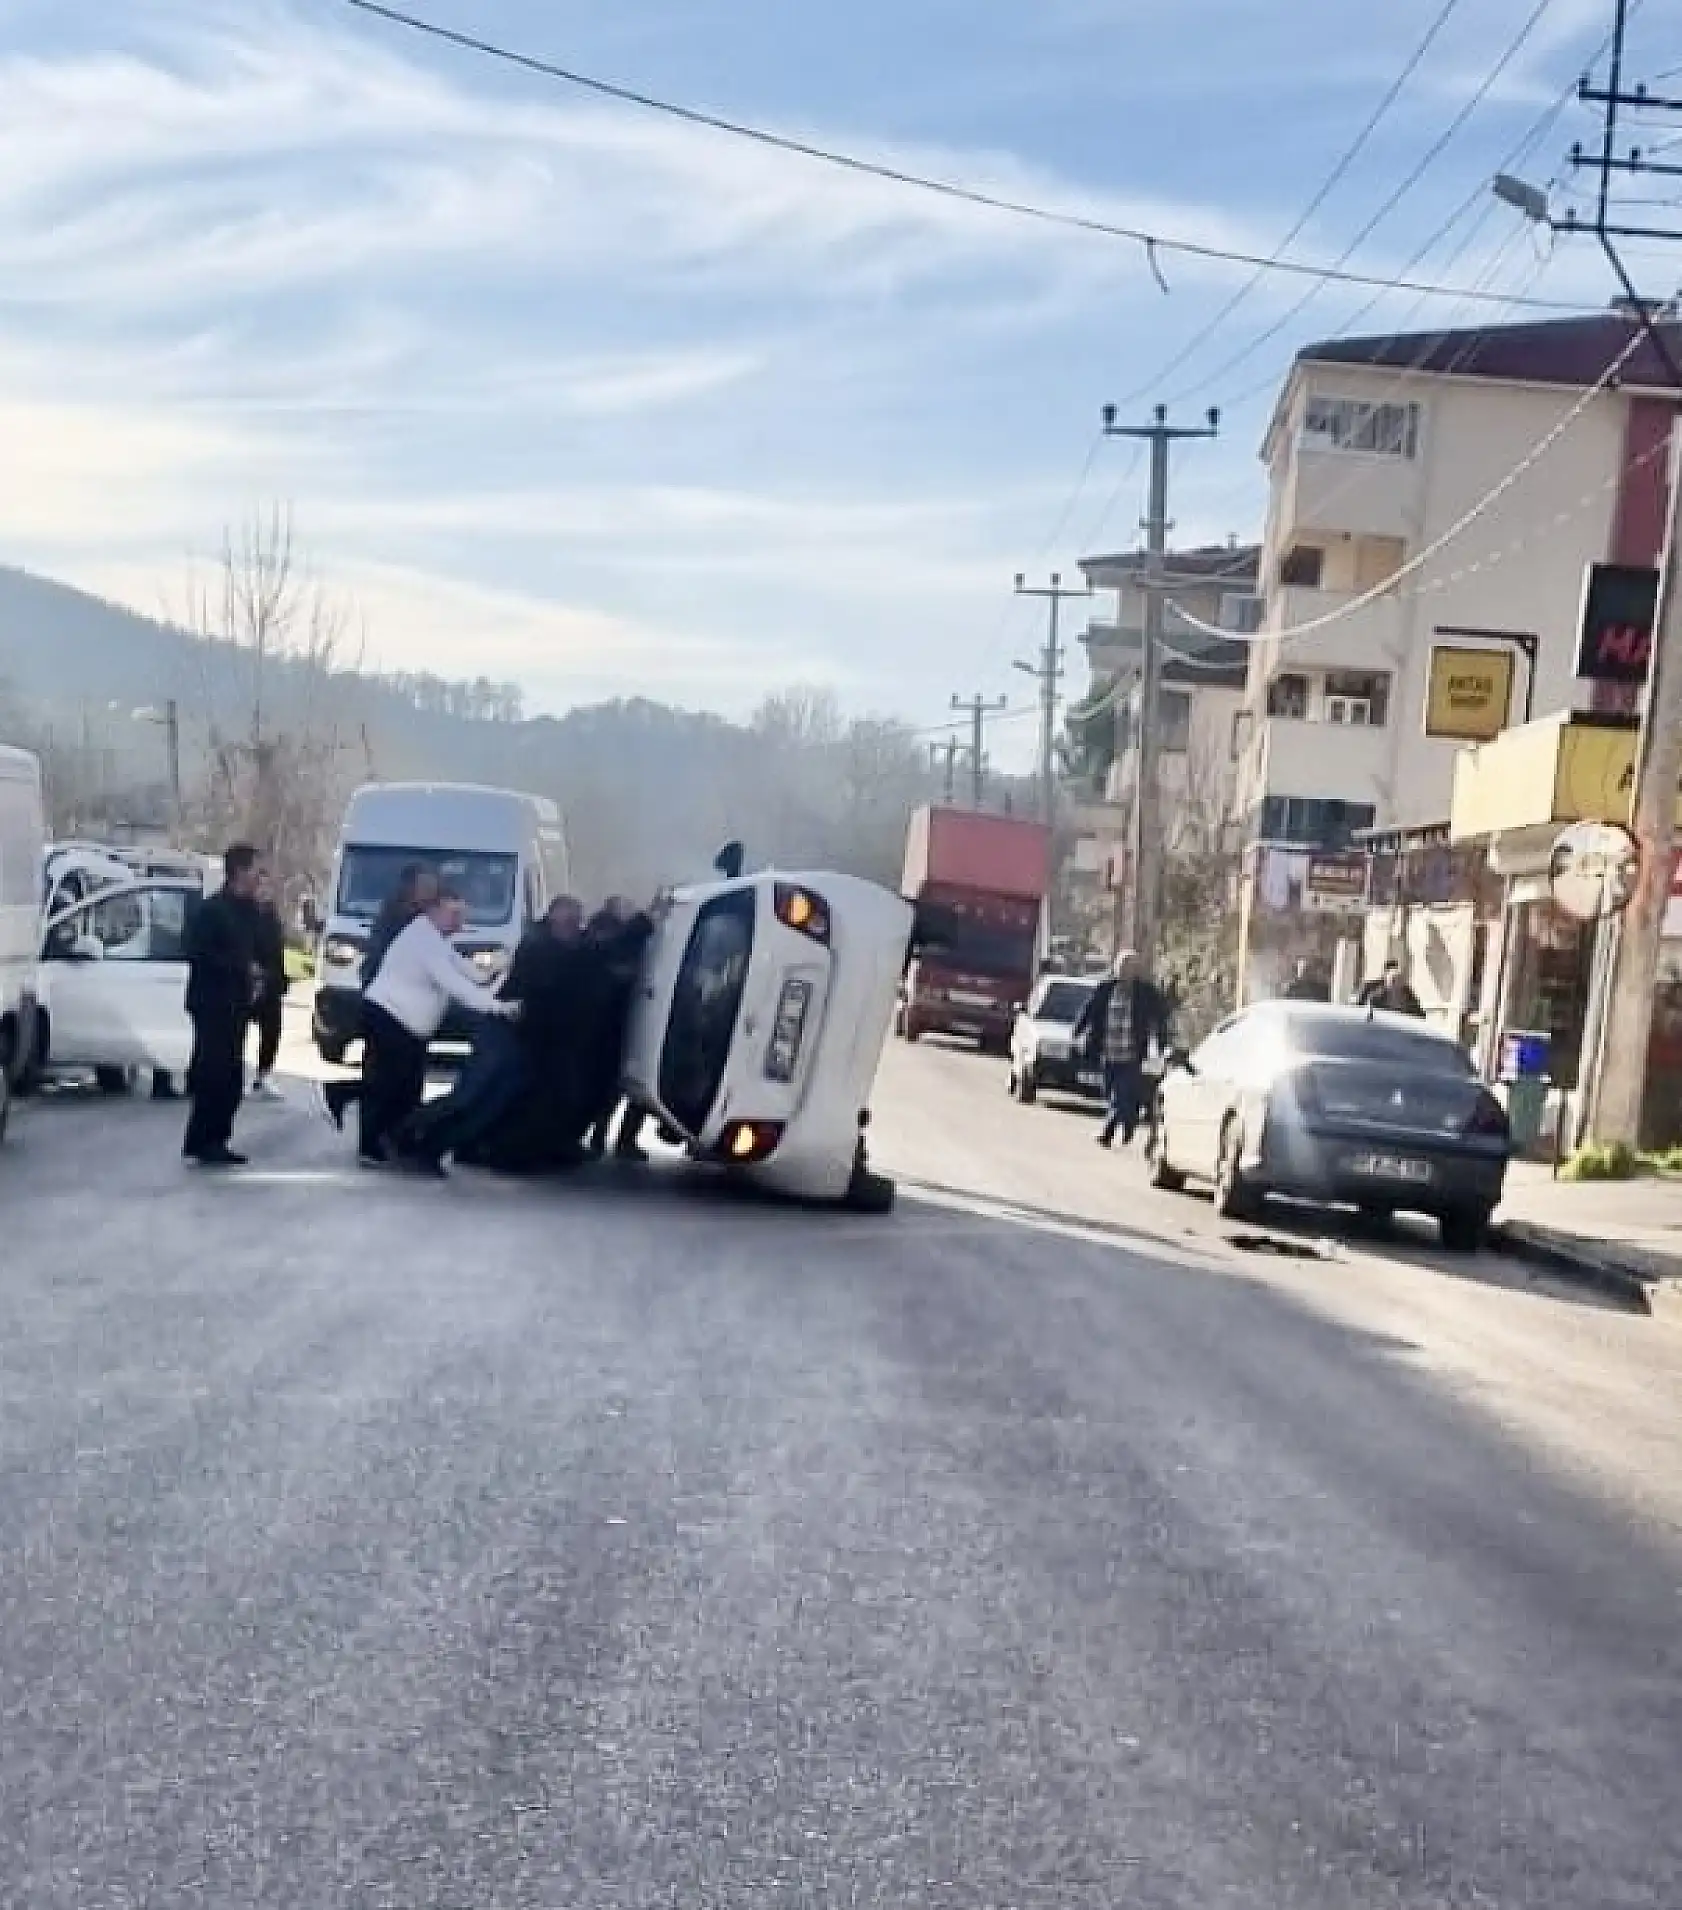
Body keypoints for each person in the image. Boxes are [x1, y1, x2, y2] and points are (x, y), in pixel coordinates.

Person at [357, 888, 518, 1172]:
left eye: (462, 915)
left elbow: (467, 973)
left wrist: (495, 972)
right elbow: (454, 984)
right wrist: (498, 1007)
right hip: (390, 1017)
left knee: (407, 1088)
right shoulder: (423, 940)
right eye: (453, 914)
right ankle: (371, 1146)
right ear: (433, 911)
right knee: (387, 1085)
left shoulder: (436, 939)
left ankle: (398, 1143)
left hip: (407, 1025)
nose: (459, 922)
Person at [321, 866, 441, 1131]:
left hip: (411, 1011)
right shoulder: (397, 919)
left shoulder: (423, 920)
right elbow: (378, 963)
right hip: (390, 1009)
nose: (432, 893)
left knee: (407, 1080)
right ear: (410, 889)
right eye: (426, 887)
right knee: (385, 1077)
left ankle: (398, 1133)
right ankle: (353, 1109)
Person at [182, 841, 261, 1167]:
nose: (260, 878)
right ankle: (202, 1140)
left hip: (237, 1005)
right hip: (212, 1004)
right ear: (239, 872)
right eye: (256, 871)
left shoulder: (250, 911)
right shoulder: (212, 911)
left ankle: (219, 1137)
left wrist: (258, 977)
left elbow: (257, 949)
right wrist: (239, 967)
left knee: (231, 1076)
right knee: (213, 1073)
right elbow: (196, 951)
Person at [582, 896, 658, 1162]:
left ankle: (606, 1136)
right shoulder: (606, 937)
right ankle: (610, 1136)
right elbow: (615, 950)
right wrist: (645, 919)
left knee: (615, 1086)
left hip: (614, 1025)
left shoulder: (607, 937)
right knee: (612, 1086)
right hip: (611, 1026)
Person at [1074, 948, 1171, 1150]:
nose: (1124, 971)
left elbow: (1160, 1017)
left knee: (1121, 1095)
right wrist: (1078, 1031)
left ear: (1136, 971)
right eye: (1121, 967)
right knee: (1111, 1093)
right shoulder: (1105, 988)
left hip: (1131, 1054)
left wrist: (1163, 1043)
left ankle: (1107, 1133)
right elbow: (1089, 1010)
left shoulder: (1145, 992)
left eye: (1129, 967)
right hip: (1108, 1051)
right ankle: (1129, 1122)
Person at [248, 868, 288, 1101]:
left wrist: (280, 979)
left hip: (271, 982)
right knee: (238, 1031)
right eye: (261, 885)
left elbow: (277, 951)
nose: (264, 891)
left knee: (272, 1030)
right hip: (249, 981)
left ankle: (263, 1076)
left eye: (268, 886)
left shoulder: (272, 916)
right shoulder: (246, 914)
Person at [1358, 959, 1425, 1017]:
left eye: (1398, 977)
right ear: (1385, 974)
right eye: (1393, 978)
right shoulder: (1371, 988)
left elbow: (1419, 1012)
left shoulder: (1407, 992)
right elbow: (1361, 1009)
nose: (1395, 980)